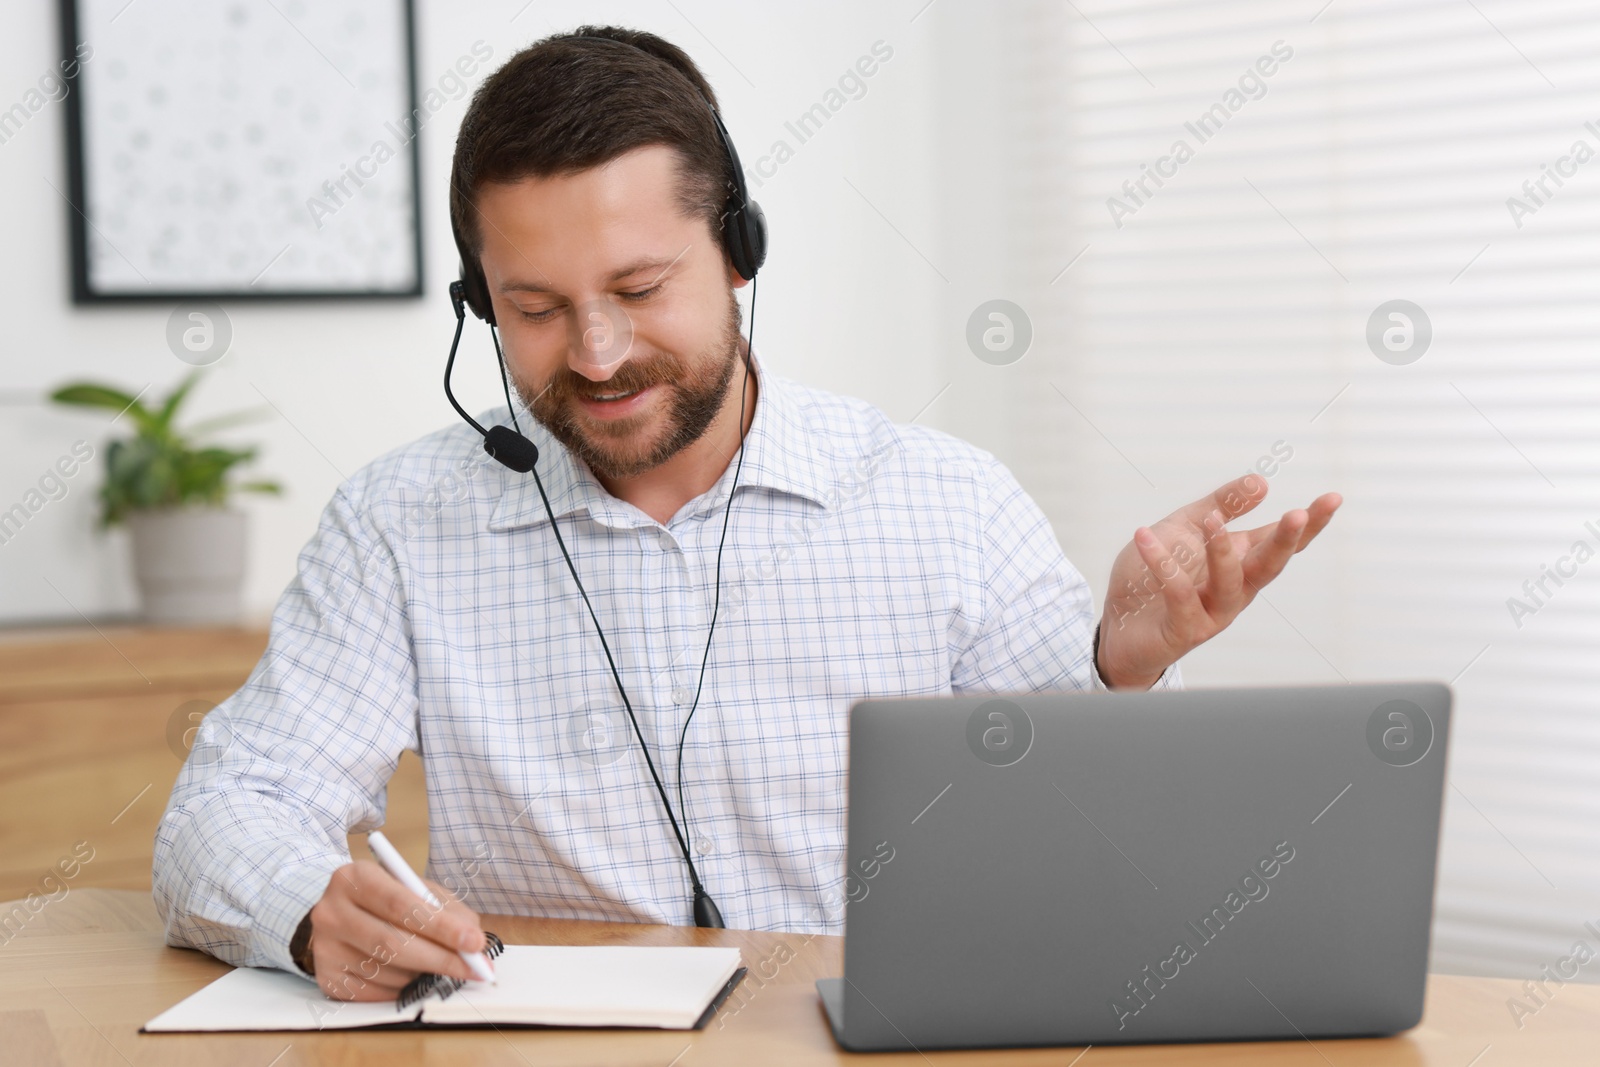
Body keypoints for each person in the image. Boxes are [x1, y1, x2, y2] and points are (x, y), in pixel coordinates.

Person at [154, 25, 1341, 1003]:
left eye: (637, 288)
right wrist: (307, 909)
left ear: (735, 251)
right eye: (536, 308)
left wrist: (1120, 668)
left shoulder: (946, 499)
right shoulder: (396, 524)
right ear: (481, 307)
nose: (600, 354)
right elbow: (223, 808)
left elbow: (1092, 850)